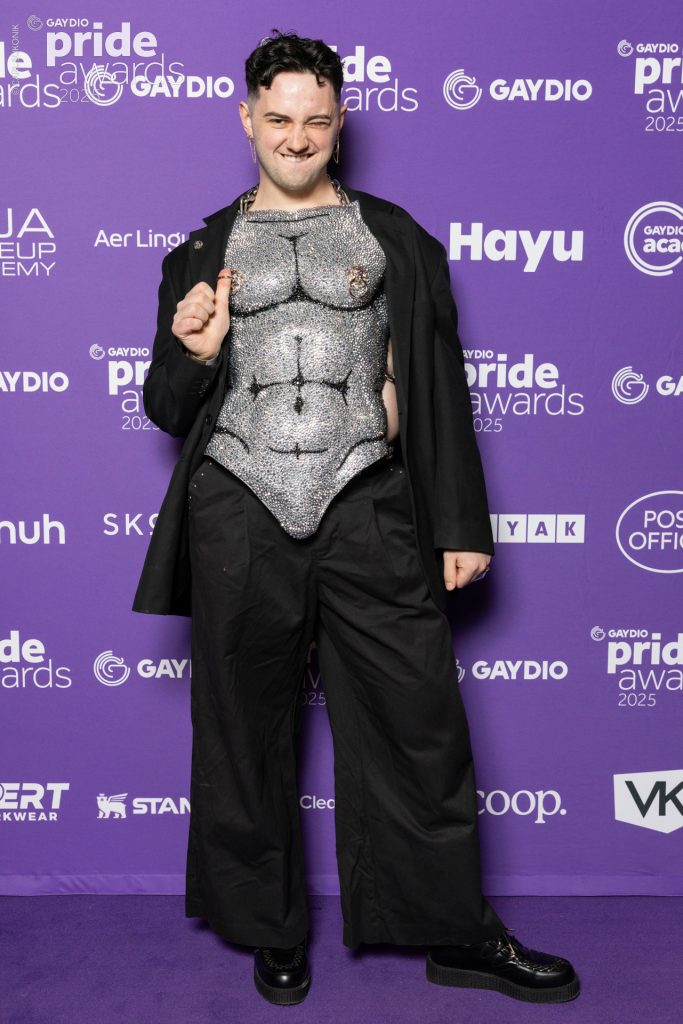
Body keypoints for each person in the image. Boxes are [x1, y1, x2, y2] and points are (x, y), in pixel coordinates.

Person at [133, 29, 579, 1007]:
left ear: (340, 123)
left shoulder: (396, 239)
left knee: (418, 722)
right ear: (246, 118)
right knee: (240, 729)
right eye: (278, 119)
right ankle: (269, 928)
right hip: (236, 502)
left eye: (316, 121)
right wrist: (196, 353)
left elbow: (440, 389)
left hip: (368, 498)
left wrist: (459, 523)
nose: (296, 138)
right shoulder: (198, 253)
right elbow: (164, 407)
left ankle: (453, 928)